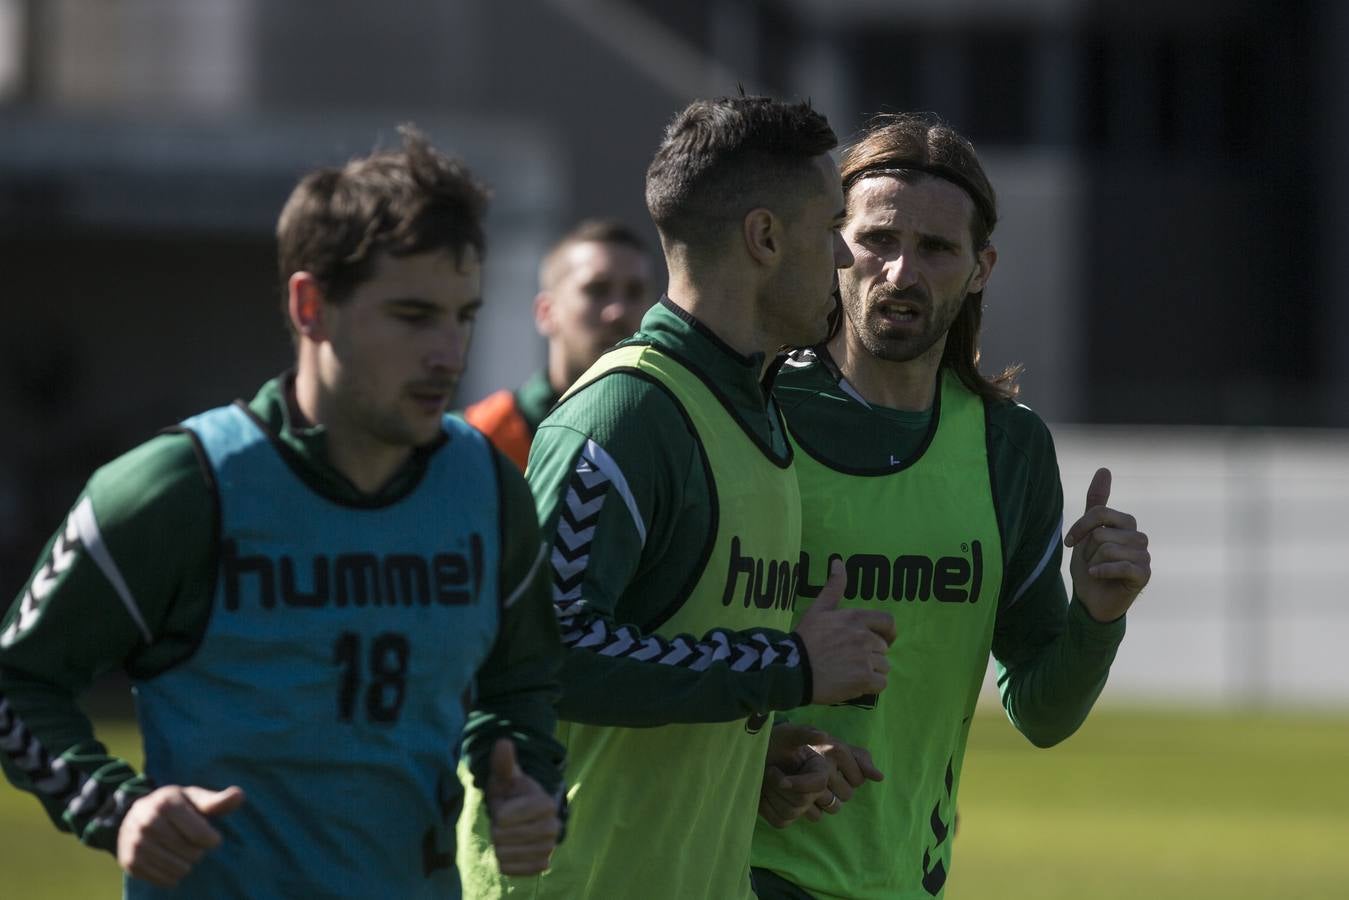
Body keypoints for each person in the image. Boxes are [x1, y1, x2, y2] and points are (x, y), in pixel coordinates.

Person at [0, 126, 566, 899]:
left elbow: (522, 688)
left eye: (463, 315)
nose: (448, 353)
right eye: (411, 315)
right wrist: (117, 806)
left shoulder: (489, 488)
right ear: (312, 306)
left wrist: (524, 786)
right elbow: (17, 682)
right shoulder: (181, 486)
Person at [457, 96, 899, 899]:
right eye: (829, 227)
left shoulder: (750, 409)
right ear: (764, 237)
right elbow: (548, 656)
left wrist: (755, 754)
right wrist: (786, 663)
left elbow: (673, 655)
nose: (845, 256)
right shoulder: (624, 416)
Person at [746, 112, 1153, 900]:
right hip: (736, 868)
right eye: (877, 240)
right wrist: (758, 753)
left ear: (979, 268)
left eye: (934, 249)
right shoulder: (750, 407)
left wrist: (1097, 617)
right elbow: (647, 647)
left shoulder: (1008, 446)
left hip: (903, 877)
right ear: (834, 243)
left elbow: (1041, 710)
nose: (900, 273)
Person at [461, 218, 656, 470]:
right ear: (546, 312)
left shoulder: (674, 435)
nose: (617, 311)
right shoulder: (477, 439)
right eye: (596, 290)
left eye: (635, 292)